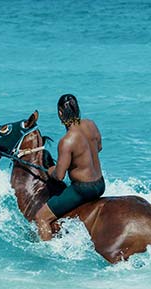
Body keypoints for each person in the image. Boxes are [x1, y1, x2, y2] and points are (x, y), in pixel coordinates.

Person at [35, 94, 106, 241]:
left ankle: (47, 254)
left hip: (84, 190)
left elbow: (59, 176)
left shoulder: (66, 141)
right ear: (77, 109)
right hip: (100, 184)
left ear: (60, 113)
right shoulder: (91, 125)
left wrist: (50, 170)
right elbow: (99, 147)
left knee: (41, 217)